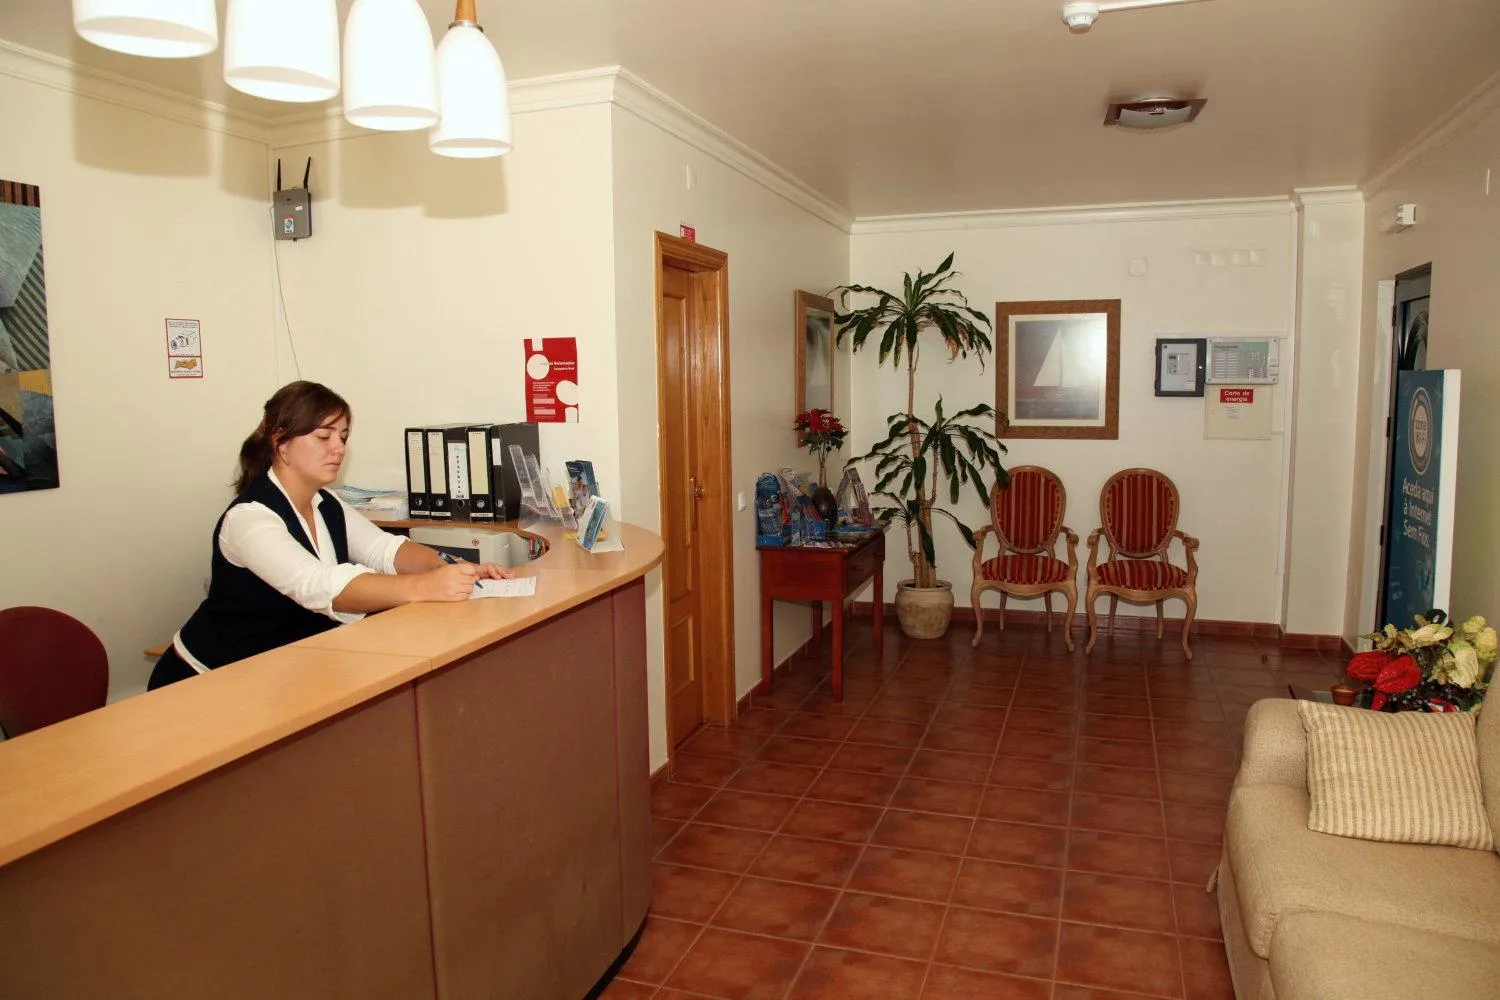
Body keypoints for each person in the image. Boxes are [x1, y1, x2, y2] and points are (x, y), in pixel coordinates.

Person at [149, 381, 513, 691]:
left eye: (342, 436)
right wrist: (425, 587)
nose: (338, 447)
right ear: (281, 442)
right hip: (206, 682)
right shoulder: (249, 519)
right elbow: (321, 586)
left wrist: (453, 567)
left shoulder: (326, 502)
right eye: (323, 436)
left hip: (274, 677)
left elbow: (386, 549)